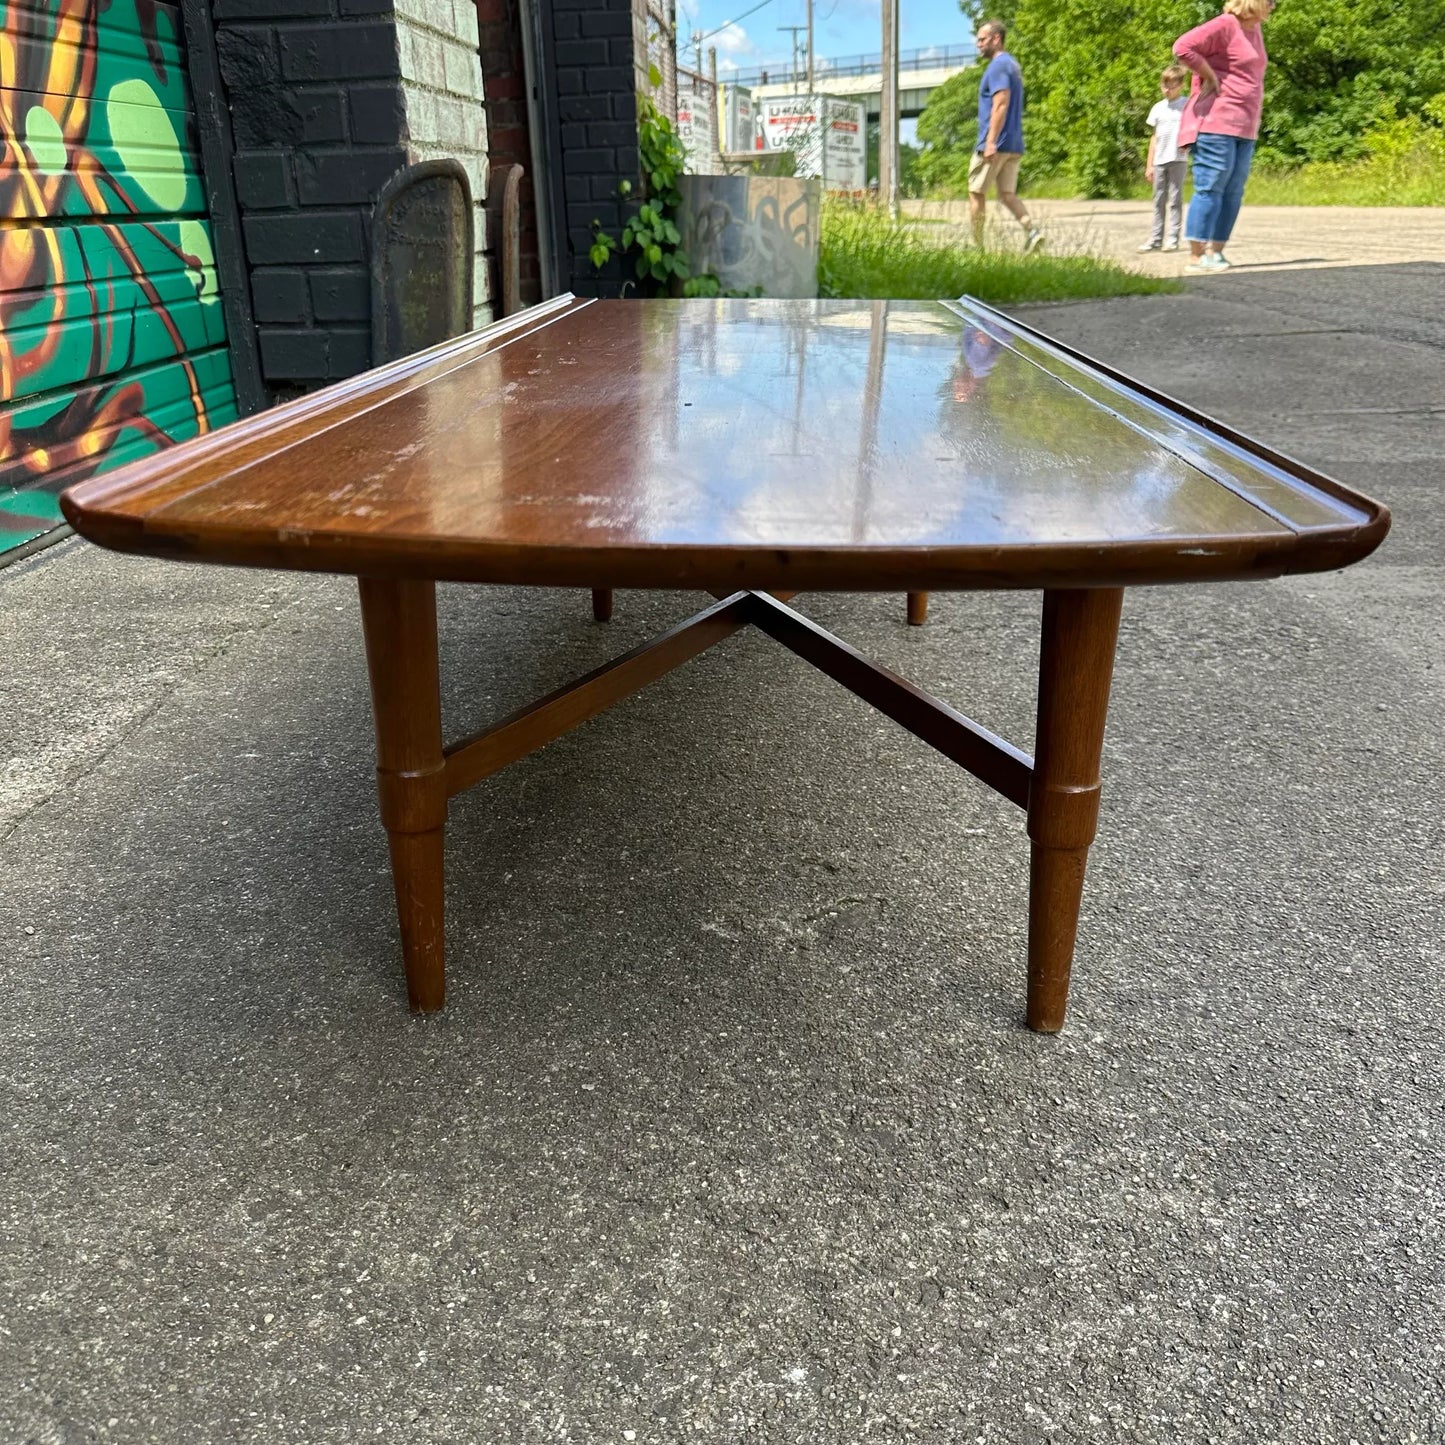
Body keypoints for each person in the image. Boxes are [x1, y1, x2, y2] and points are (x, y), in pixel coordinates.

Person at [1172, 0, 1275, 273]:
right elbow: (1183, 47)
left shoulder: (1254, 29)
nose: (1274, 6)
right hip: (1216, 121)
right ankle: (1196, 255)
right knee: (1211, 186)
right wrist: (1207, 74)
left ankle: (1216, 252)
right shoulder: (1225, 24)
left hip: (1246, 125)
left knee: (1233, 191)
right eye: (1270, 1)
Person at [968, 20, 1043, 254]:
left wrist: (990, 141)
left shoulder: (999, 66)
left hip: (996, 144)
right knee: (1007, 194)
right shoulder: (1013, 65)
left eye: (982, 39)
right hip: (1013, 144)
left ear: (996, 39)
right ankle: (1032, 231)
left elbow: (1000, 104)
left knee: (976, 192)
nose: (978, 44)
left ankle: (976, 248)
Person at [1138, 65, 1189, 252]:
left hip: (1178, 158)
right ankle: (1155, 238)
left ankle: (1173, 239)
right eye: (1165, 86)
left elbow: (1193, 129)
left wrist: (1188, 144)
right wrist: (1149, 164)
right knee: (1158, 199)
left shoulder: (1187, 105)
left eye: (1172, 86)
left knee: (1175, 199)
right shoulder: (1158, 108)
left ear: (1181, 85)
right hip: (1160, 159)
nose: (1168, 90)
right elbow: (1154, 138)